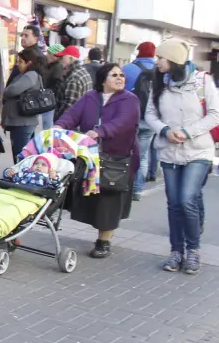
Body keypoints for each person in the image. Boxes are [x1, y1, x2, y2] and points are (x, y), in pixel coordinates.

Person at [144, 39, 219, 274]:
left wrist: (187, 132)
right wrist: (165, 131)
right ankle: (176, 251)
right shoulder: (159, 84)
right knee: (174, 203)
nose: (157, 62)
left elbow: (215, 114)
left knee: (187, 198)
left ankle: (193, 251)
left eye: (161, 58)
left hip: (198, 149)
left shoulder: (202, 81)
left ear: (174, 60)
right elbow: (150, 114)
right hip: (169, 150)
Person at [54, 63, 140, 259]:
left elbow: (123, 122)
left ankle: (104, 240)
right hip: (91, 156)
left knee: (110, 198)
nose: (120, 78)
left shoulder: (130, 100)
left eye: (122, 75)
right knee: (93, 197)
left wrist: (100, 132)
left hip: (118, 157)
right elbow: (72, 115)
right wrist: (58, 127)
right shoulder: (90, 97)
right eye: (114, 75)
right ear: (103, 79)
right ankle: (102, 231)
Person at [123, 41, 158, 195]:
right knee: (142, 155)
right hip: (151, 119)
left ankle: (123, 188)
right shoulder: (161, 71)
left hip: (131, 117)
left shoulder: (128, 69)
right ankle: (137, 190)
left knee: (125, 153)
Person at [2, 46, 47, 160]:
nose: (18, 64)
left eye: (21, 62)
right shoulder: (29, 74)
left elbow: (12, 90)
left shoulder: (30, 75)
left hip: (23, 122)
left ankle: (21, 176)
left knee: (21, 155)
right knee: (21, 153)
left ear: (29, 63)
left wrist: (6, 91)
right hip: (23, 121)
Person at [54, 45, 93, 120]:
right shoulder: (82, 71)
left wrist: (59, 122)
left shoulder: (74, 78)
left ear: (70, 58)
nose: (60, 60)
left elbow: (69, 106)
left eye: (62, 58)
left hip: (69, 124)